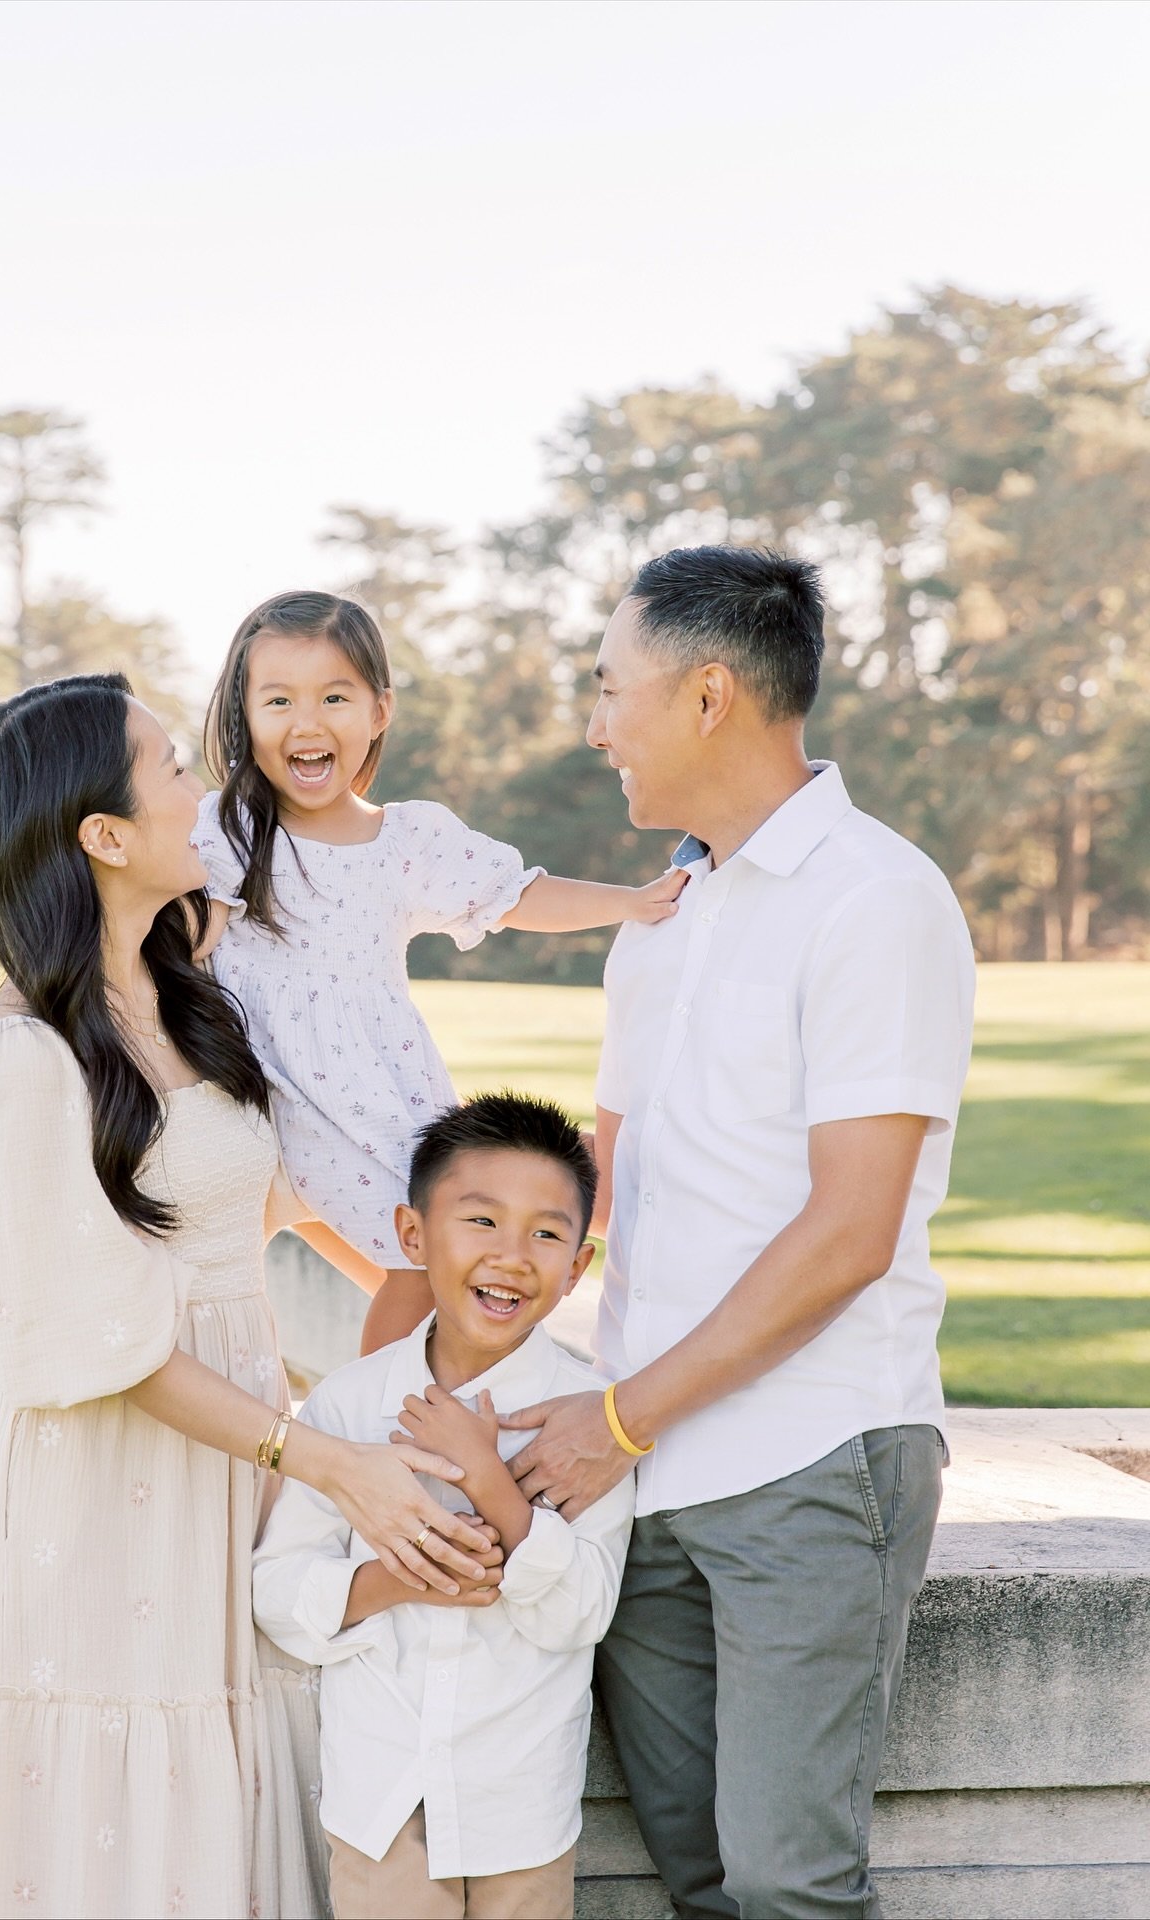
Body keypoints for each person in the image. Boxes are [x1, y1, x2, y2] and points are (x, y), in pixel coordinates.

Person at [0, 672, 494, 1920]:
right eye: (171, 764)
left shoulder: (188, 998)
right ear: (105, 837)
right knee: (112, 1806)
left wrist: (463, 1285)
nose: (204, 786)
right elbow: (95, 1341)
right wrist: (327, 1461)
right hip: (105, 1486)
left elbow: (259, 1207)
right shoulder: (27, 1057)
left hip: (233, 1464)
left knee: (235, 1772)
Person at [502, 547, 977, 1919]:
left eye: (609, 689)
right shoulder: (665, 916)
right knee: (700, 1876)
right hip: (646, 1467)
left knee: (785, 1888)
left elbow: (850, 1235)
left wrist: (624, 1420)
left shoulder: (875, 900)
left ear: (708, 694)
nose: (595, 726)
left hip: (812, 1459)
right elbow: (601, 1185)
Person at [192, 589, 686, 1355]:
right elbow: (164, 934)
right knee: (425, 1269)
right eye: (278, 699)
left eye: (334, 696)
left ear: (380, 710)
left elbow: (519, 894)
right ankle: (376, 1423)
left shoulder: (406, 839)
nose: (308, 722)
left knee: (440, 1273)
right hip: (279, 1102)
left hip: (374, 1103)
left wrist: (633, 902)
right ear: (243, 713)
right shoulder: (224, 832)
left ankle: (402, 1423)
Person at [252, 1093, 635, 1920]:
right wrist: (400, 1577)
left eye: (546, 1233)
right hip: (381, 1798)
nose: (512, 1256)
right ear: (414, 1235)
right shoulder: (348, 1407)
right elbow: (277, 1594)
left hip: (521, 1805)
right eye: (481, 1222)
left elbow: (583, 1613)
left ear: (577, 1267)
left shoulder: (586, 1421)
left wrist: (491, 1485)